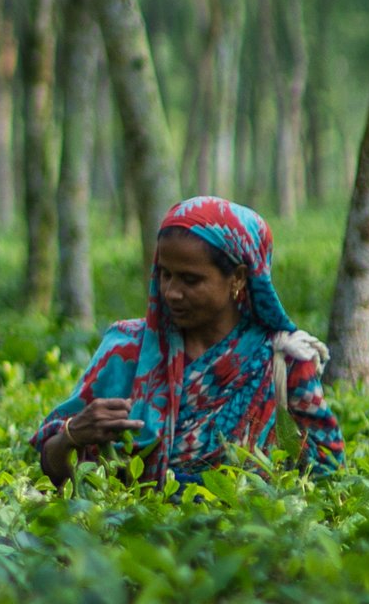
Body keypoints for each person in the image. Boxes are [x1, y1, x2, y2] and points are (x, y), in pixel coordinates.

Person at [32, 194, 342, 489]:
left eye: (190, 280)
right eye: (165, 275)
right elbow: (53, 469)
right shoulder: (126, 348)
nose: (172, 292)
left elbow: (328, 472)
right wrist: (72, 434)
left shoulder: (282, 359)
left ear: (238, 277)